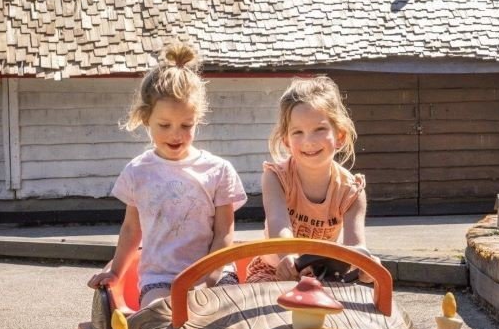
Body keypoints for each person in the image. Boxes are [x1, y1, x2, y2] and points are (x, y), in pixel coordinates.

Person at [88, 42, 247, 308]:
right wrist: (115, 272)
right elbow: (131, 228)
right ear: (145, 118)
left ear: (198, 119)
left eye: (187, 125)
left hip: (215, 274)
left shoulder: (218, 170)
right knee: (160, 321)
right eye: (164, 125)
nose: (176, 134)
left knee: (227, 325)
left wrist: (206, 279)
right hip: (161, 278)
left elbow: (224, 234)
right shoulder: (138, 172)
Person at [245, 76, 378, 283]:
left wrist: (366, 267)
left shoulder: (351, 192)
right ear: (286, 141)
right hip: (275, 270)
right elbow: (279, 225)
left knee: (354, 309)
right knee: (267, 309)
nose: (309, 141)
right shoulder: (276, 177)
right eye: (298, 132)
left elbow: (354, 249)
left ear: (340, 136)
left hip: (325, 276)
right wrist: (288, 257)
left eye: (320, 129)